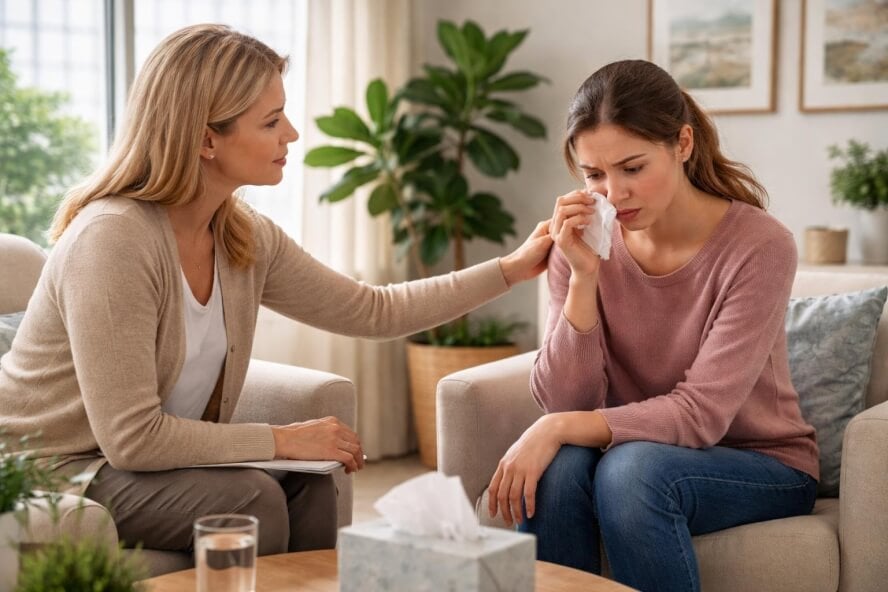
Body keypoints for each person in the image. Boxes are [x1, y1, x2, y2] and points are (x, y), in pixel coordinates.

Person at [0, 24, 552, 558]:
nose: (290, 133)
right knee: (252, 496)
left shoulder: (242, 236)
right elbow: (132, 440)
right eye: (271, 121)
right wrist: (282, 438)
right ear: (205, 138)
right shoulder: (114, 238)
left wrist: (511, 268)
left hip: (132, 465)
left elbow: (372, 310)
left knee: (310, 483)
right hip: (58, 466)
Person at [486, 60, 818, 592]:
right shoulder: (577, 241)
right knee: (562, 469)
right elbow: (565, 401)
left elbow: (702, 414)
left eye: (632, 168)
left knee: (628, 470)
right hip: (630, 450)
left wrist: (552, 429)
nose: (613, 194)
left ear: (682, 143)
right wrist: (582, 278)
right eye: (594, 174)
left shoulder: (760, 246)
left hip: (760, 463)